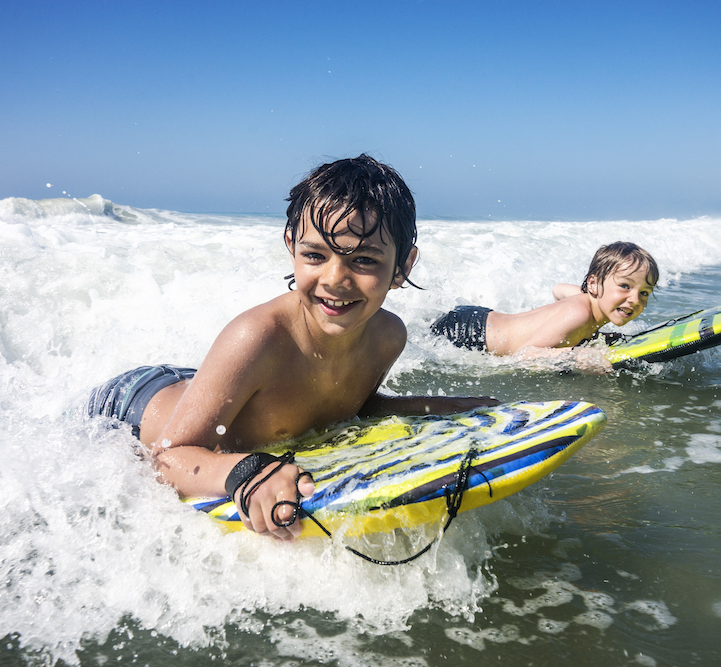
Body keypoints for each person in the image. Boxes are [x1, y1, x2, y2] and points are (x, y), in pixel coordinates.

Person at [88, 155, 498, 541]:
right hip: (129, 405)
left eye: (364, 260)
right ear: (291, 247)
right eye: (315, 255)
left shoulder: (388, 336)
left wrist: (429, 407)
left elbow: (342, 405)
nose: (334, 279)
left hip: (213, 389)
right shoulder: (257, 337)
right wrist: (246, 472)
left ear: (403, 266)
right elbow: (165, 459)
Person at [430, 241, 659, 371]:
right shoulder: (579, 313)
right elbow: (523, 356)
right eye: (625, 286)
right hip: (469, 332)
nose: (635, 299)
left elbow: (558, 289)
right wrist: (579, 355)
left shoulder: (587, 302)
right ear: (593, 283)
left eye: (644, 292)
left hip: (479, 316)